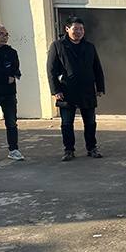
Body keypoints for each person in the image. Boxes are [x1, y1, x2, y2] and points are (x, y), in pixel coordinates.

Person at [46, 17, 105, 161]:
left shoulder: (89, 46)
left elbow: (97, 68)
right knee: (67, 123)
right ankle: (69, 150)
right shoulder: (58, 46)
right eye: (75, 29)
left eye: (81, 29)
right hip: (67, 90)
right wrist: (56, 90)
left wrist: (100, 87)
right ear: (67, 29)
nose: (79, 32)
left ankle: (92, 148)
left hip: (87, 90)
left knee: (90, 122)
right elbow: (51, 70)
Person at [0, 25, 24, 163]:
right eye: (1, 34)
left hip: (9, 94)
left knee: (11, 122)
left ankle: (13, 150)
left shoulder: (11, 52)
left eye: (6, 35)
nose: (5, 37)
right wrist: (4, 77)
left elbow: (13, 69)